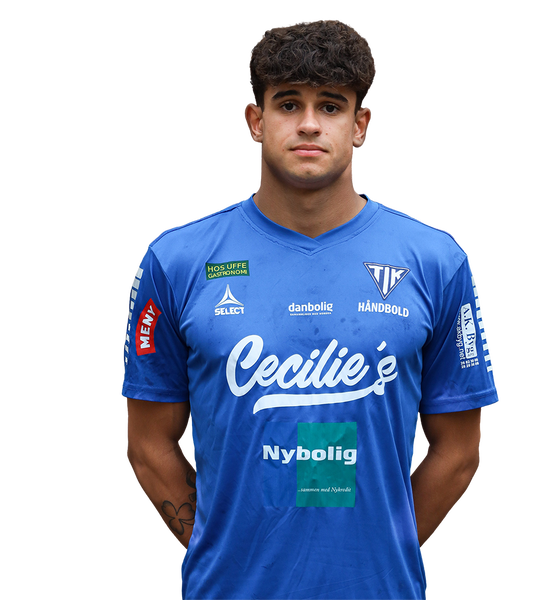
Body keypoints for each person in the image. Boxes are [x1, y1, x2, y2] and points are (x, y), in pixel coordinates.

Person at [121, 17, 501, 599]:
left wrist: (381, 554)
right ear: (254, 121)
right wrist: (214, 548)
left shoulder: (436, 260)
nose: (308, 124)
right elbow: (148, 444)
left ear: (361, 126)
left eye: (330, 106)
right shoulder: (175, 260)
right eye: (288, 103)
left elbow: (460, 449)